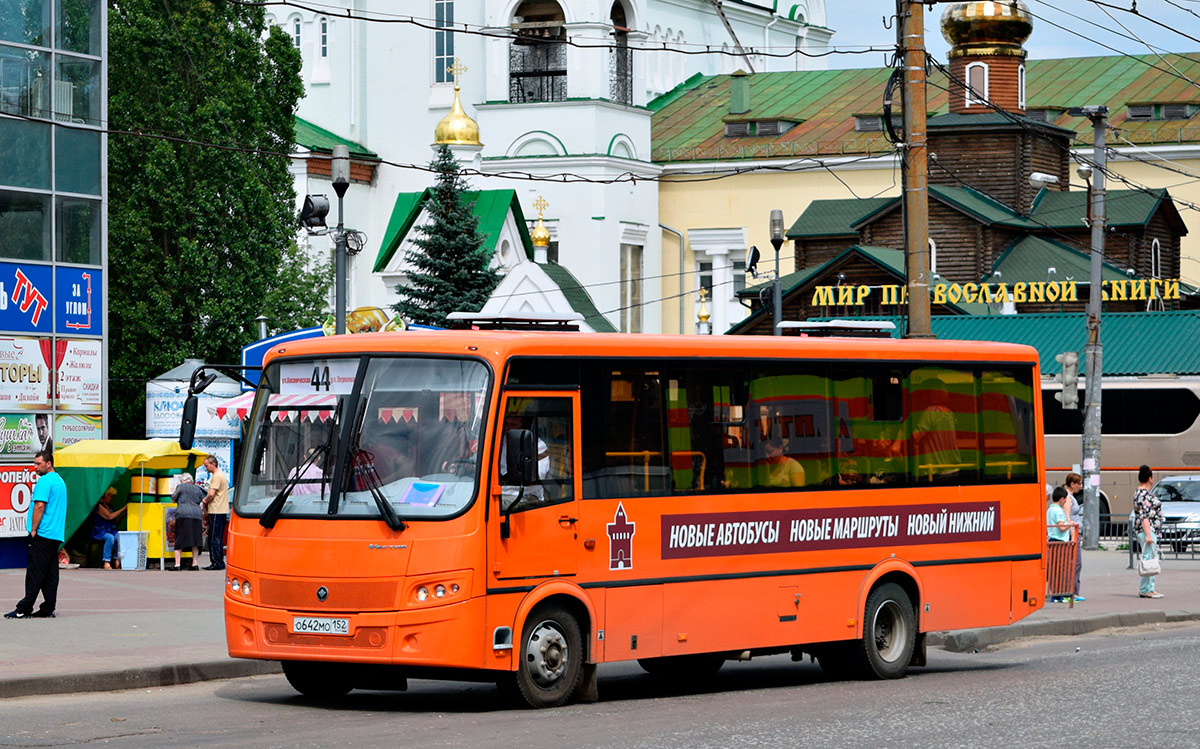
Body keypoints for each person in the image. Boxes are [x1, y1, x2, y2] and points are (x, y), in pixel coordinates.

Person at [6, 451, 67, 619]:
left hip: (42, 533)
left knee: (35, 571)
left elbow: (40, 506)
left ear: (49, 464)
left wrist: (33, 529)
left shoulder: (45, 481)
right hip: (55, 535)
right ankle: (48, 608)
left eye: (38, 464)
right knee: (50, 573)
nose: (35, 467)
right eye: (35, 464)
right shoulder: (60, 481)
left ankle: (23, 609)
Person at [1133, 464, 1163, 599]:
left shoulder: (1138, 493)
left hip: (1145, 529)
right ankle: (1147, 589)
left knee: (1149, 558)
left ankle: (1148, 588)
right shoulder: (1144, 494)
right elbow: (1144, 515)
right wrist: (1148, 534)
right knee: (1149, 559)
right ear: (1150, 478)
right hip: (1147, 529)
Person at [1046, 486, 1076, 603]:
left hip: (1052, 541)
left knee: (1054, 569)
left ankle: (1055, 594)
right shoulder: (1058, 510)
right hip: (1060, 543)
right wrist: (1070, 524)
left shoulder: (1049, 510)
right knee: (1063, 568)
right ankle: (1062, 594)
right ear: (1062, 499)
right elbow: (1062, 527)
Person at [170, 474, 205, 571]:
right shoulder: (197, 489)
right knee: (195, 540)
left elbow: (173, 498)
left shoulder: (181, 487)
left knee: (180, 539)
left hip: (183, 514)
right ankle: (195, 564)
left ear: (183, 480)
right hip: (196, 515)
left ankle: (177, 565)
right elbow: (200, 500)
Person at [201, 455, 229, 571]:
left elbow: (211, 493)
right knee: (217, 537)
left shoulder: (216, 477)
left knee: (214, 537)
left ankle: (216, 562)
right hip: (221, 510)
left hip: (217, 510)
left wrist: (205, 500)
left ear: (213, 464)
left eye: (207, 466)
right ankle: (219, 561)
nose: (206, 468)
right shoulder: (220, 475)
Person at [1062, 473, 1086, 602]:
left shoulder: (1070, 497)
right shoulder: (1068, 498)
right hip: (1073, 534)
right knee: (1075, 563)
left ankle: (1074, 591)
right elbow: (1067, 517)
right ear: (1072, 484)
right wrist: (1072, 534)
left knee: (1075, 563)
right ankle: (1072, 592)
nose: (1081, 486)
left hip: (1075, 533)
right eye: (1079, 483)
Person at [91, 488, 127, 570]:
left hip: (111, 529)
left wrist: (122, 515)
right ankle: (106, 561)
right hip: (99, 531)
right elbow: (110, 516)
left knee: (119, 536)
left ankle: (116, 559)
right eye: (110, 496)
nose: (111, 499)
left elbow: (114, 522)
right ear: (104, 495)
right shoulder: (99, 506)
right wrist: (123, 509)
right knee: (110, 538)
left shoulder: (110, 507)